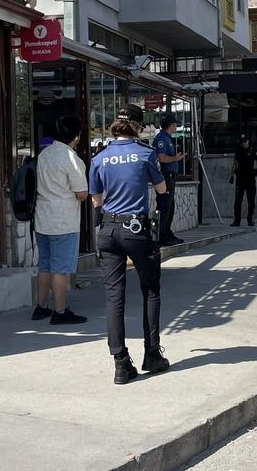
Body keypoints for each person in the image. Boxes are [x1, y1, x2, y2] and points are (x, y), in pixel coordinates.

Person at [89, 104, 169, 385]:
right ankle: (151, 354)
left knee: (114, 297)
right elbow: (162, 190)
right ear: (137, 126)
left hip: (108, 230)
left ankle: (121, 363)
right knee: (150, 290)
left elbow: (96, 201)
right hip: (136, 228)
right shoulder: (146, 154)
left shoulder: (99, 158)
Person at [31, 115, 89, 325]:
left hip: (42, 218)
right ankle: (60, 311)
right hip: (63, 220)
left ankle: (41, 307)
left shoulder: (44, 154)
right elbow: (81, 193)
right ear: (77, 136)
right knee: (60, 268)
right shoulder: (71, 158)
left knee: (44, 264)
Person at [152, 114, 185, 247]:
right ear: (170, 125)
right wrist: (175, 159)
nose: (176, 126)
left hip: (170, 176)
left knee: (170, 206)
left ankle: (166, 232)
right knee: (164, 206)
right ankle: (160, 236)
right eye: (174, 124)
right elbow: (161, 157)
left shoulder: (167, 138)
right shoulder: (161, 139)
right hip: (166, 176)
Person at [229, 135, 257, 226]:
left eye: (244, 141)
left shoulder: (253, 150)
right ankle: (237, 220)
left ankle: (250, 219)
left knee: (251, 200)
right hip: (240, 178)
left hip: (250, 178)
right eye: (242, 141)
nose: (243, 143)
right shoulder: (238, 151)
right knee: (238, 200)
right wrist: (231, 176)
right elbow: (235, 163)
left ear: (248, 141)